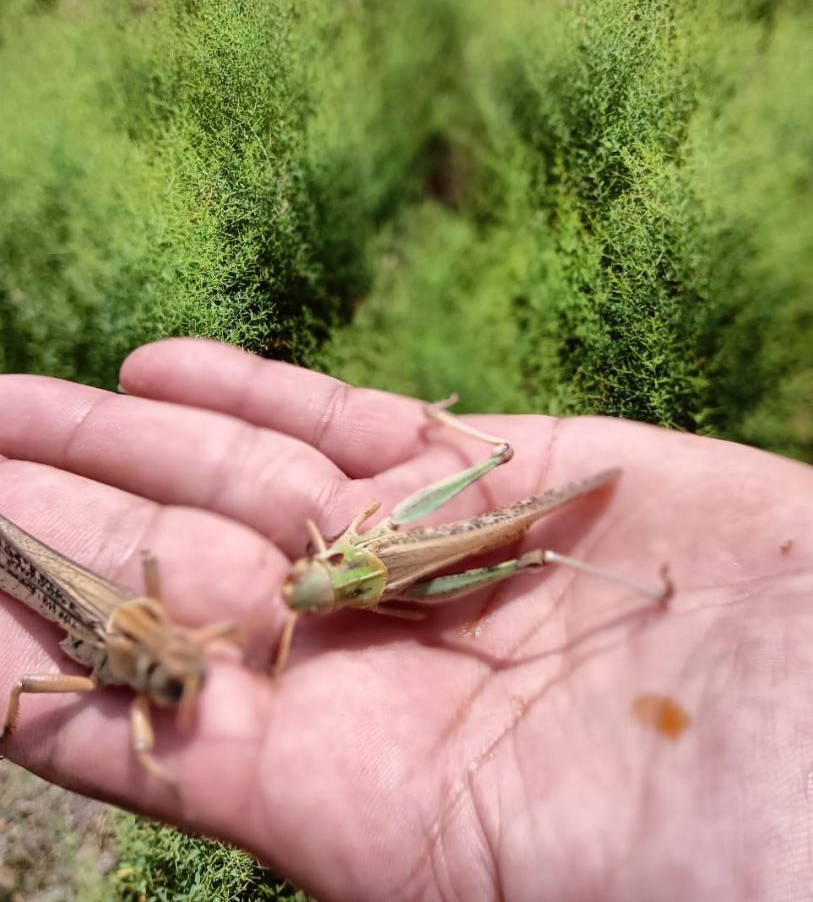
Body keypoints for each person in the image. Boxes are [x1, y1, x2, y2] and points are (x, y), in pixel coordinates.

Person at [0, 337, 810, 900]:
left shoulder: (342, 578)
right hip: (355, 562)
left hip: (406, 559)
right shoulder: (312, 580)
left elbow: (340, 591)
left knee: (529, 544)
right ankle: (470, 446)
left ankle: (612, 562)